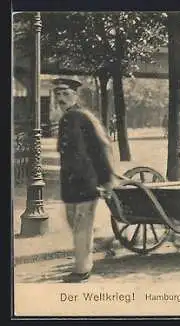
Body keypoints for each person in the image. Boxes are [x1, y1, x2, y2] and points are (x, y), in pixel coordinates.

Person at [54, 78, 115, 283]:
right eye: (57, 94)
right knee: (75, 222)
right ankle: (98, 244)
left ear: (75, 95)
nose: (60, 98)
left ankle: (82, 269)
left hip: (86, 181)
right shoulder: (66, 118)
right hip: (71, 183)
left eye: (65, 93)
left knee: (81, 224)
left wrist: (106, 180)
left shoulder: (83, 117)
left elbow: (102, 147)